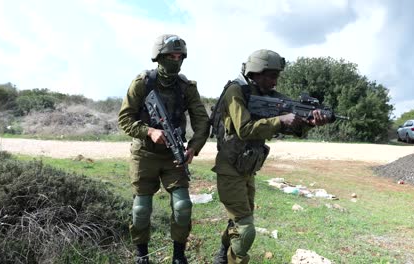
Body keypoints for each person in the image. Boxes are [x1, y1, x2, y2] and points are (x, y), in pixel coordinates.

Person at [212, 49, 329, 264]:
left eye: (277, 76)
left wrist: (307, 123)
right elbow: (245, 129)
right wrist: (281, 120)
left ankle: (222, 255)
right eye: (271, 75)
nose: (275, 81)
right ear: (256, 72)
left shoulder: (269, 98)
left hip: (248, 168)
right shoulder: (236, 91)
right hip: (229, 168)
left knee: (239, 220)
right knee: (245, 229)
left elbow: (290, 127)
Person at [118, 34, 210, 264]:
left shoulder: (186, 87)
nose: (175, 60)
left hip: (174, 155)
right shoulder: (142, 83)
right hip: (145, 154)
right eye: (170, 55)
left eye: (179, 56)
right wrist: (149, 131)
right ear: (159, 57)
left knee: (183, 205)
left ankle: (178, 256)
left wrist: (193, 148)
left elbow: (201, 121)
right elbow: (125, 119)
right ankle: (142, 255)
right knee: (141, 210)